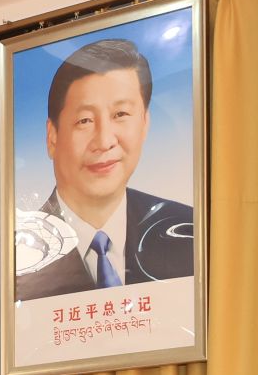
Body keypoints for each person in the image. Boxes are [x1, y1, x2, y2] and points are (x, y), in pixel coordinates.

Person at [14, 36, 194, 301]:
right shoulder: (17, 255)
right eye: (85, 120)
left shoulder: (188, 232)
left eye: (120, 115)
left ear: (145, 124)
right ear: (52, 137)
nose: (104, 141)